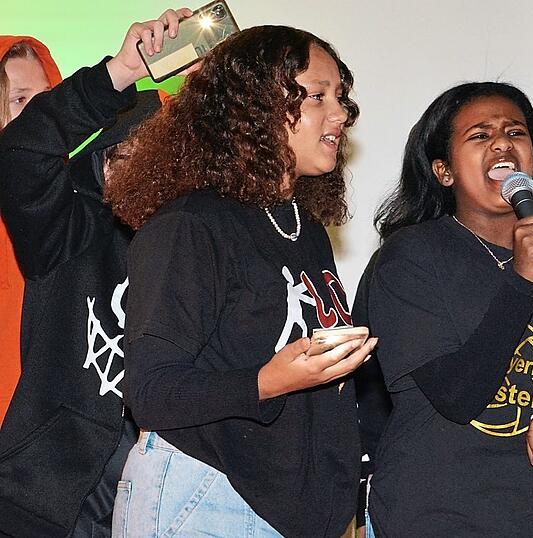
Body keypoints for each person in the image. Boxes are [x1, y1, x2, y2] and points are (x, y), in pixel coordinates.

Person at [103, 21, 375, 537]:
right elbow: (153, 391)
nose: (339, 113)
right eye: (317, 96)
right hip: (203, 497)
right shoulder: (190, 225)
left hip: (282, 507)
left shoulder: (307, 231)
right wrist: (270, 381)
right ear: (253, 108)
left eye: (340, 96)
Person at [361, 82, 533, 536]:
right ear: (443, 171)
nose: (501, 143)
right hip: (437, 518)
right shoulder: (411, 257)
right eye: (479, 135)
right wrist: (520, 280)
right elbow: (458, 397)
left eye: (516, 132)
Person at [0, 23, 167, 535]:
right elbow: (25, 154)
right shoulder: (60, 218)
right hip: (36, 477)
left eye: (43, 99)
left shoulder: (154, 234)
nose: (31, 115)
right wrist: (118, 73)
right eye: (18, 99)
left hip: (112, 479)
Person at [0, 35, 61, 424]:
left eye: (46, 98)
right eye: (21, 100)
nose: (39, 114)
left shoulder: (71, 194)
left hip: (45, 432)